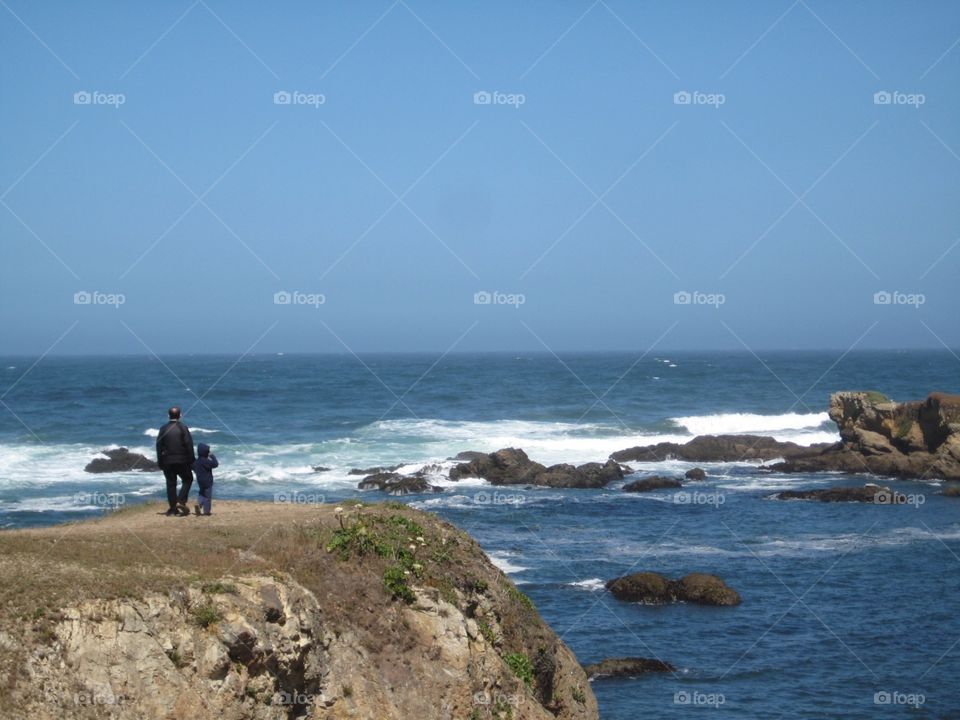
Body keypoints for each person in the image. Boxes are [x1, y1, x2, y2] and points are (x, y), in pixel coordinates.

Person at [156, 407, 196, 516]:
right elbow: (189, 445)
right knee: (188, 479)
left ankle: (173, 509)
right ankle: (181, 500)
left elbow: (158, 446)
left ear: (168, 416)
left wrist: (160, 461)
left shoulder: (163, 429)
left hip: (167, 461)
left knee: (171, 484)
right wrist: (192, 461)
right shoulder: (183, 428)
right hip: (182, 460)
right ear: (180, 415)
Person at [192, 443, 218, 516]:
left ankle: (199, 503)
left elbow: (192, 466)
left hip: (200, 481)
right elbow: (215, 464)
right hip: (208, 481)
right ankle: (206, 511)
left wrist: (196, 471)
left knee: (201, 493)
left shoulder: (197, 461)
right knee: (207, 496)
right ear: (206, 453)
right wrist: (212, 456)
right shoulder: (206, 461)